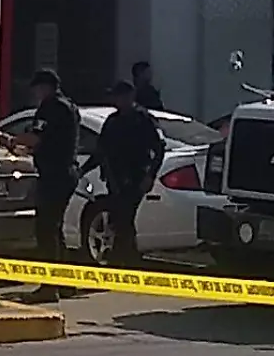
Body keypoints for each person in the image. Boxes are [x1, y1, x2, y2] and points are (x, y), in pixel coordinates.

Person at [79, 80, 165, 266]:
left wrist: (150, 175)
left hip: (135, 177)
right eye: (115, 97)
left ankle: (126, 260)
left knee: (124, 218)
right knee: (120, 220)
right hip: (115, 178)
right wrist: (82, 170)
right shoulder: (112, 121)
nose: (116, 100)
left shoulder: (143, 119)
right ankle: (125, 260)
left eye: (120, 96)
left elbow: (159, 149)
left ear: (130, 96)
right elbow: (101, 151)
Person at [13, 69, 80, 303]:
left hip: (54, 174)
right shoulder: (69, 106)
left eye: (38, 87)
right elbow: (50, 141)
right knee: (55, 229)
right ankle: (65, 283)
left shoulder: (51, 107)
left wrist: (12, 139)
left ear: (47, 86)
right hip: (65, 172)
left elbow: (36, 137)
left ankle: (49, 287)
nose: (36, 92)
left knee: (45, 230)